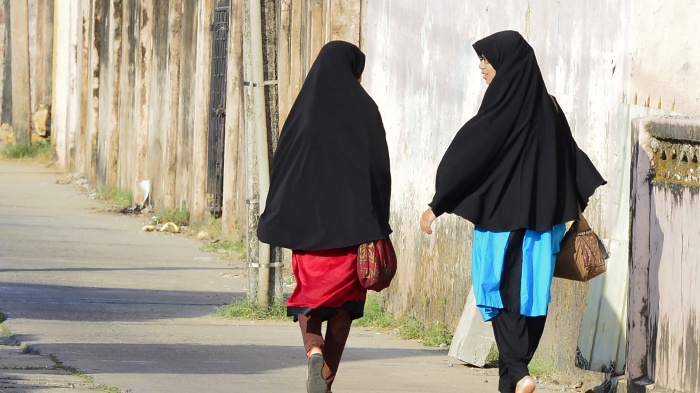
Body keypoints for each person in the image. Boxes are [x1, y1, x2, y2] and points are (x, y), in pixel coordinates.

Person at [419, 31, 606, 393]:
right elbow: (571, 159)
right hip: (542, 226)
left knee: (495, 291)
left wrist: (438, 203)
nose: (481, 67)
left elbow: (468, 155)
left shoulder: (500, 108)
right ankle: (515, 380)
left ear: (506, 63)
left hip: (500, 226)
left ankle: (519, 372)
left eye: (486, 60)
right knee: (532, 297)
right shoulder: (549, 107)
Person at [257, 40, 392, 393]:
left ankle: (313, 349)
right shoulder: (366, 111)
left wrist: (282, 220)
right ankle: (327, 382)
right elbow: (380, 172)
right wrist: (378, 222)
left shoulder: (304, 111)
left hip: (307, 235)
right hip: (353, 235)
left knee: (308, 299)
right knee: (344, 309)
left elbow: (283, 169)